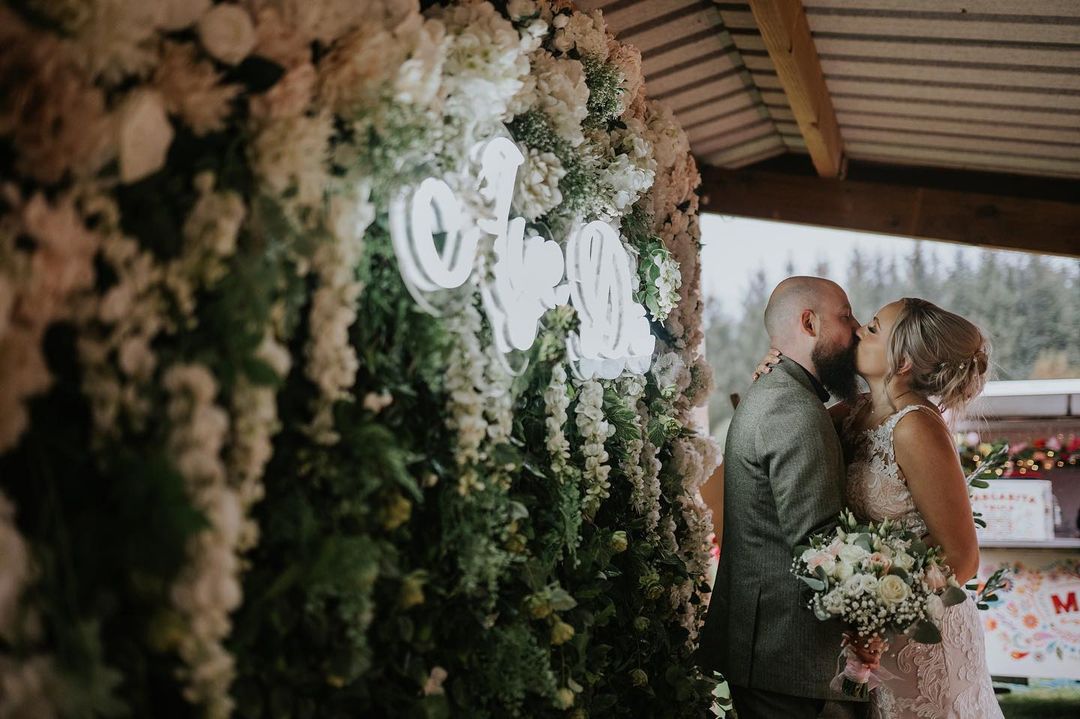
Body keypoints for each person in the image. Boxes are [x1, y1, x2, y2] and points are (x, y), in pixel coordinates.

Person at [754, 297, 1003, 719]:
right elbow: (786, 434)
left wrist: (878, 608)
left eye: (872, 328)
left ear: (902, 360)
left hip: (920, 638)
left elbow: (962, 556)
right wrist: (772, 383)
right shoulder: (856, 413)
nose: (857, 333)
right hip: (868, 642)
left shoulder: (917, 427)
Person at [698, 277, 867, 719]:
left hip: (772, 652)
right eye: (846, 317)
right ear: (809, 323)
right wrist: (878, 610)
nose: (857, 329)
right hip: (791, 655)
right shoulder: (792, 408)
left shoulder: (781, 394)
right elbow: (820, 543)